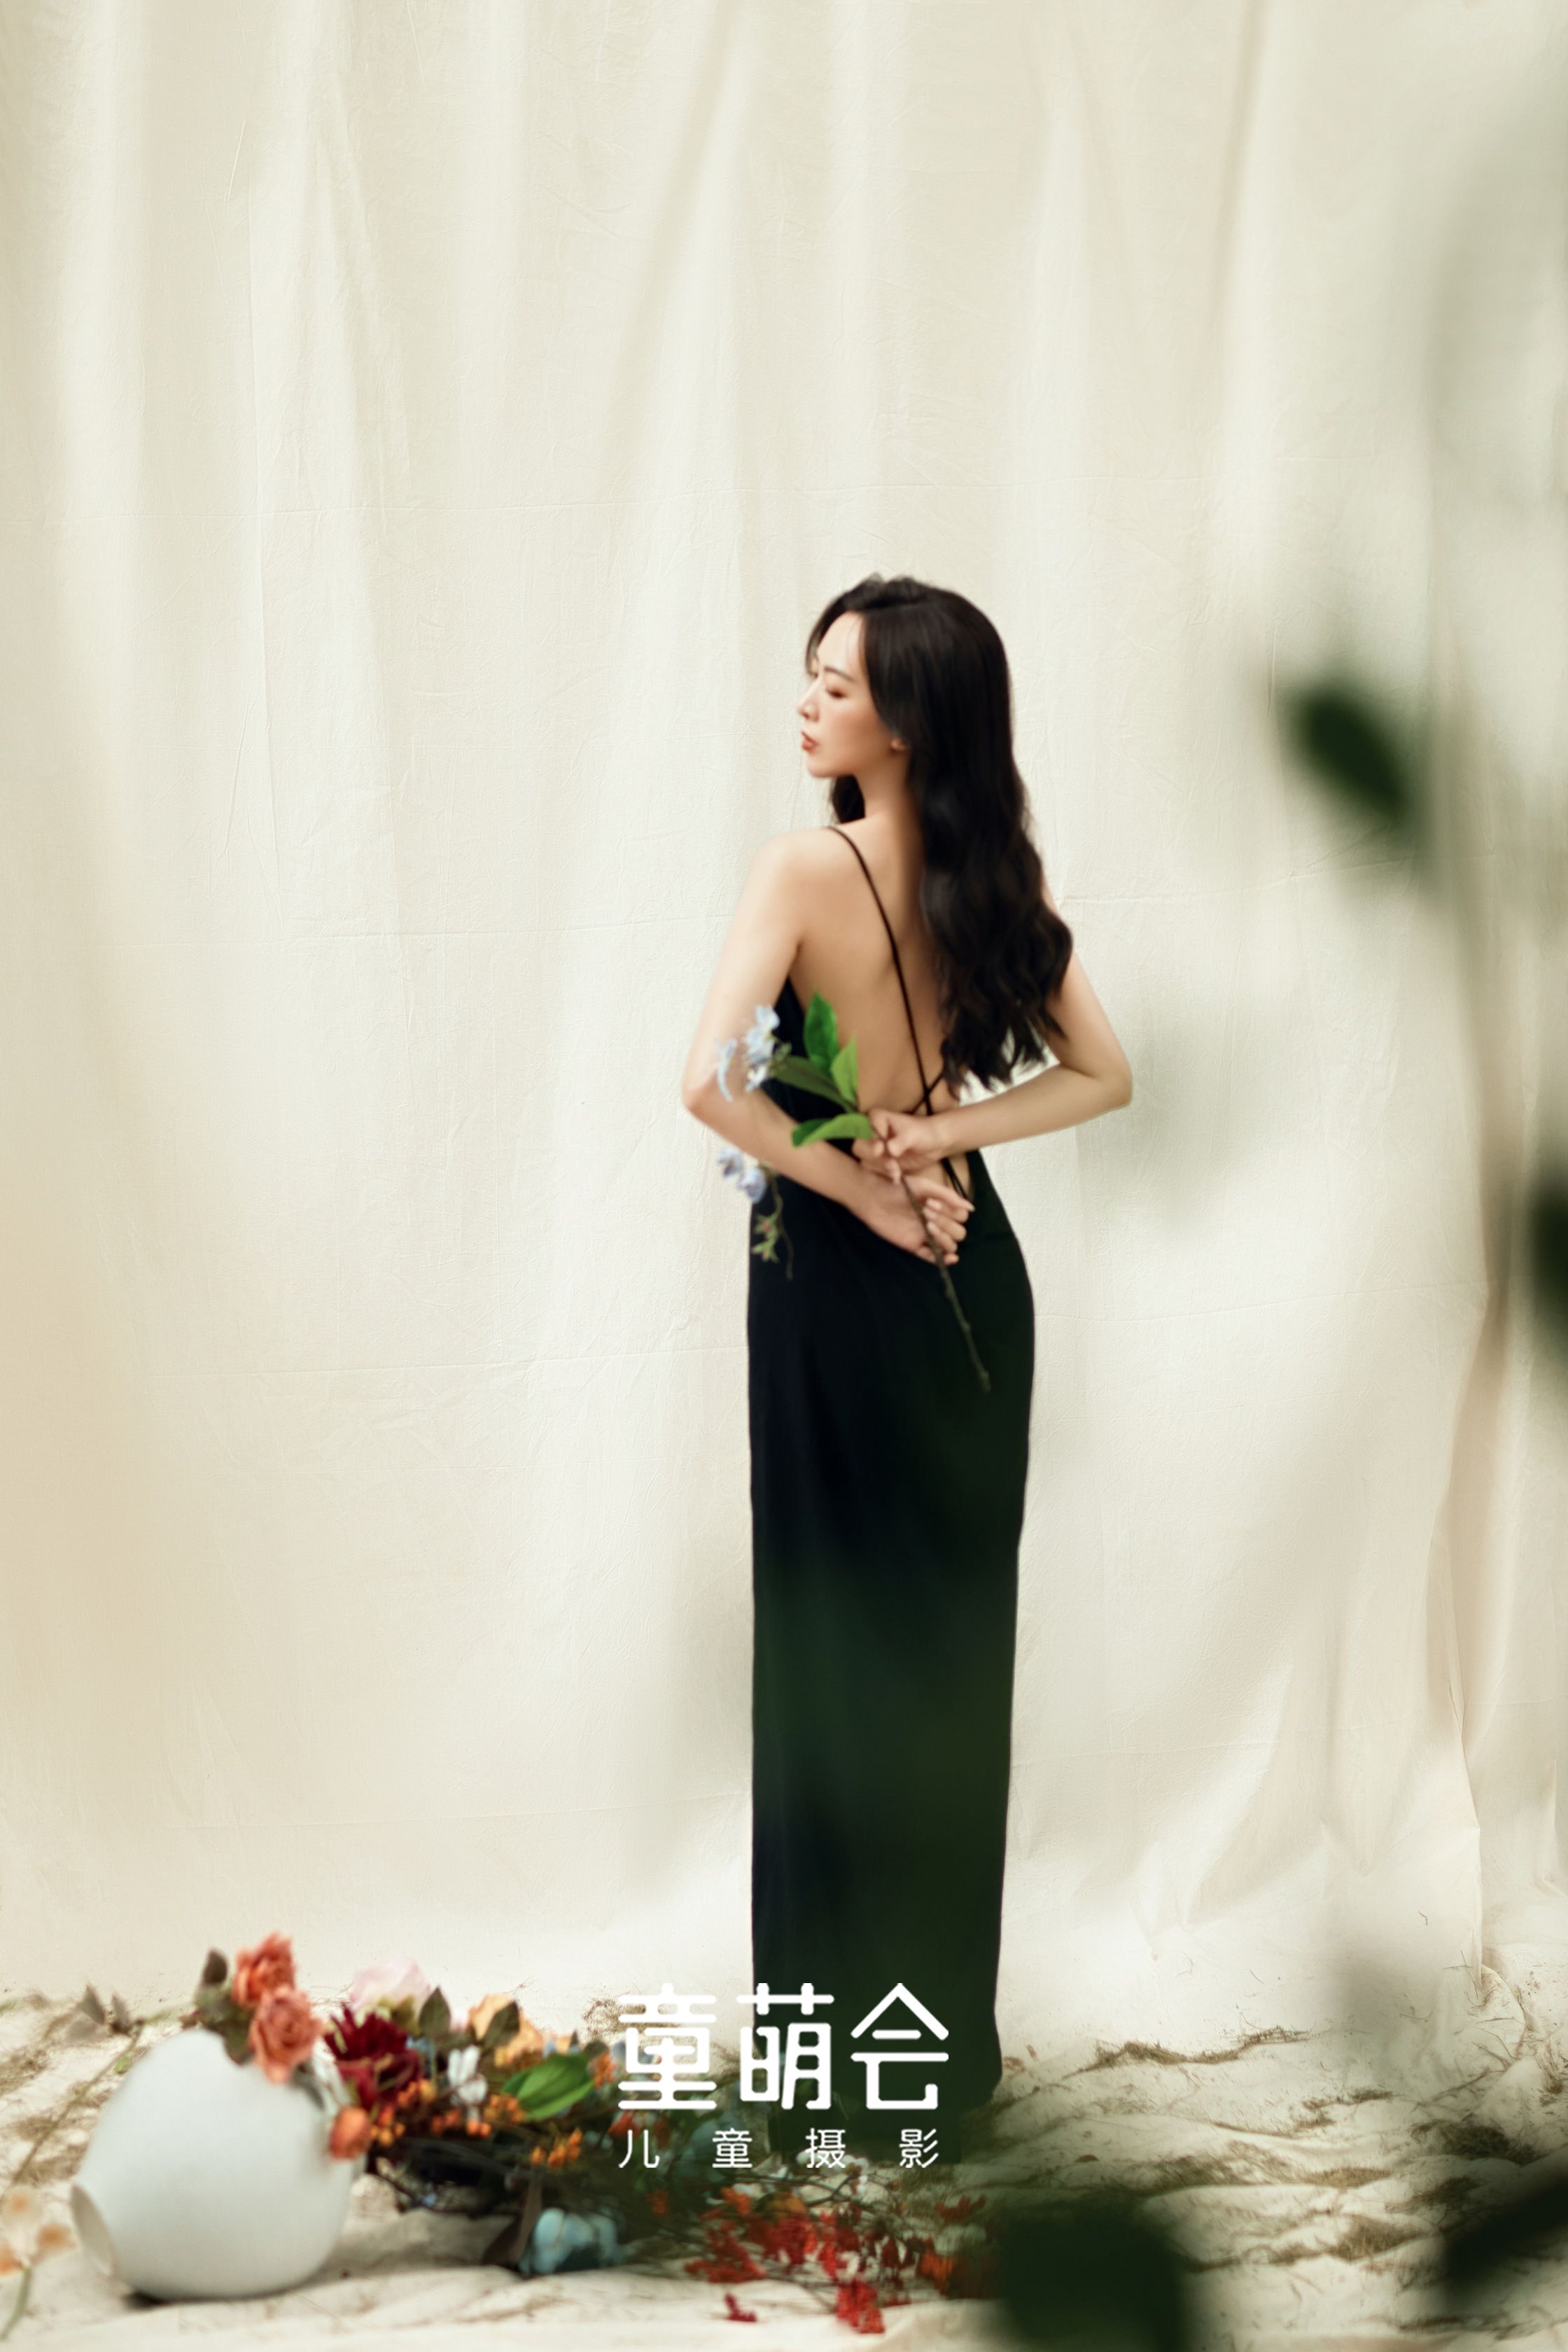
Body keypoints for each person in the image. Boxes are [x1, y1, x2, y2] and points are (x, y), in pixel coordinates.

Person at [680, 573, 1133, 2166]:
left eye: (836, 682)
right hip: (972, 1275)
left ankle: (825, 2074)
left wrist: (866, 1182)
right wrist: (937, 1139)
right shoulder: (992, 870)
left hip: (839, 1278)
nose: (807, 703)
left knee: (828, 1665)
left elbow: (713, 1084)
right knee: (946, 1668)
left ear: (909, 718)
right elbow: (1103, 1072)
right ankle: (932, 2064)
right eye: (808, 674)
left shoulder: (803, 865)